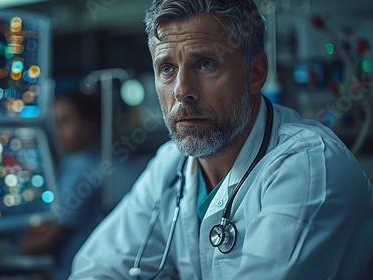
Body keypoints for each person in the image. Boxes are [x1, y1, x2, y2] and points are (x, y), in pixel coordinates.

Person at [69, 0, 373, 279]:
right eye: (167, 69)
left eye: (205, 64)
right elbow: (93, 269)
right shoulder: (171, 164)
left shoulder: (309, 165)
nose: (182, 90)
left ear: (255, 73)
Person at [20, 90, 103, 280]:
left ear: (88, 125)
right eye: (54, 124)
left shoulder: (80, 168)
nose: (57, 133)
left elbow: (48, 241)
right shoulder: (94, 162)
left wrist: (7, 248)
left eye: (65, 121)